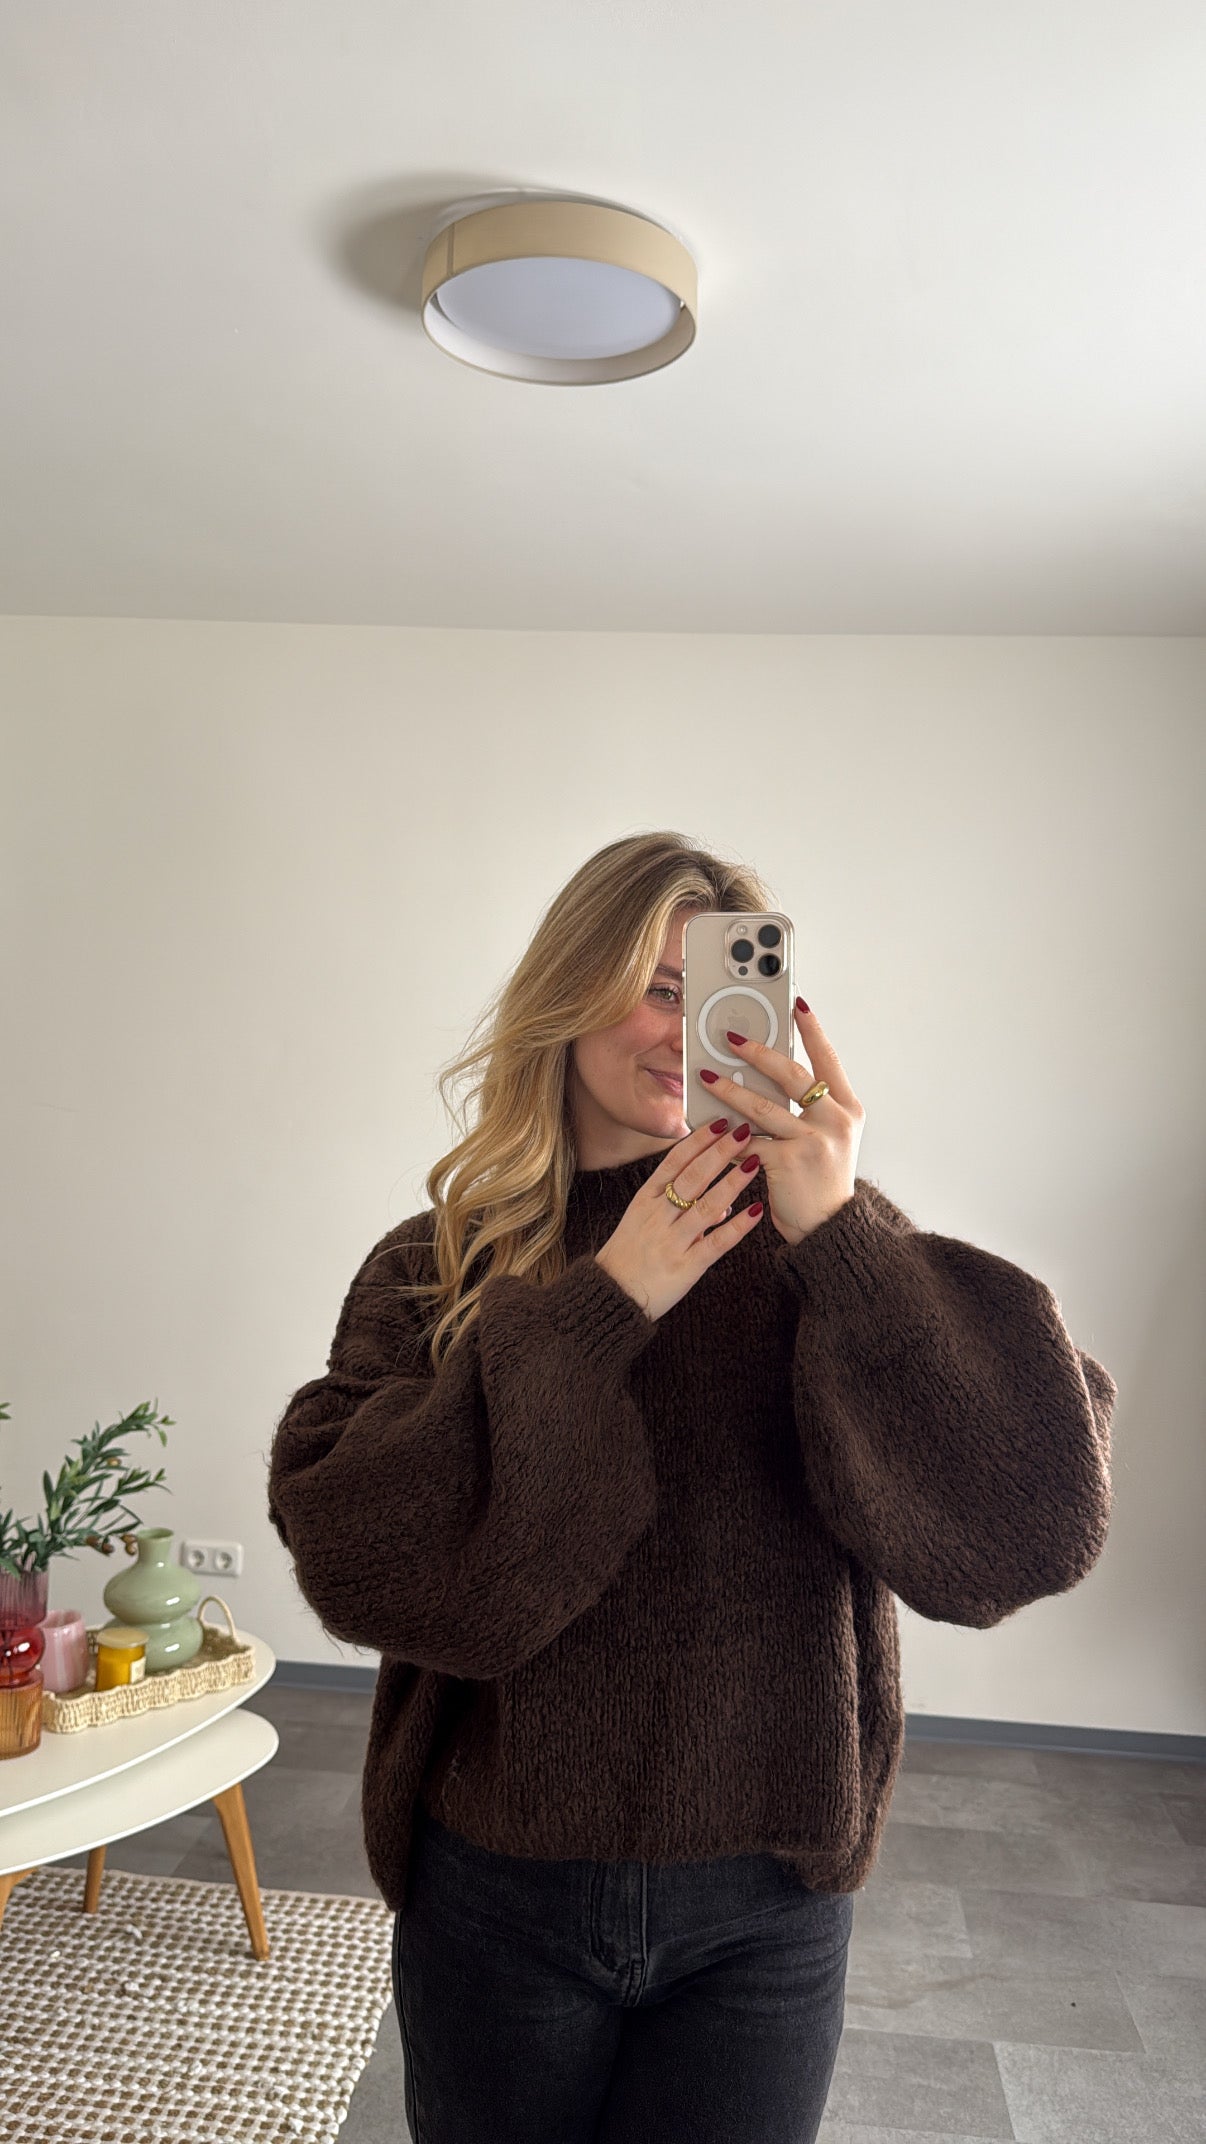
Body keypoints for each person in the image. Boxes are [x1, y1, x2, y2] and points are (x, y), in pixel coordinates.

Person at [266, 831, 1116, 2144]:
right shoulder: (441, 1260)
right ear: (566, 996)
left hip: (763, 1900)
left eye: (718, 990)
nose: (686, 1030)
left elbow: (1029, 1526)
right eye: (654, 989)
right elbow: (358, 1555)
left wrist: (843, 1238)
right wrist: (604, 1305)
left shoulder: (830, 1246)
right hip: (496, 1884)